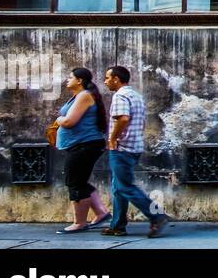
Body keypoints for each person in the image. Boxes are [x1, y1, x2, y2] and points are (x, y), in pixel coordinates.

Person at [101, 66, 170, 238]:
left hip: (122, 147)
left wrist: (112, 139)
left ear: (116, 79)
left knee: (125, 186)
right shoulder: (136, 96)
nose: (105, 81)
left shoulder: (120, 96)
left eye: (108, 78)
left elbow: (123, 118)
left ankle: (157, 216)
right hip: (135, 145)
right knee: (118, 187)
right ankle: (117, 225)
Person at [48, 68, 111, 234]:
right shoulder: (79, 96)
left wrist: (59, 120)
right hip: (81, 145)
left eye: (70, 77)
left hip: (85, 145)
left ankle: (79, 223)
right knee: (79, 180)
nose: (67, 80)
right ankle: (101, 213)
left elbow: (69, 121)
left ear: (79, 80)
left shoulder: (84, 95)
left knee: (75, 182)